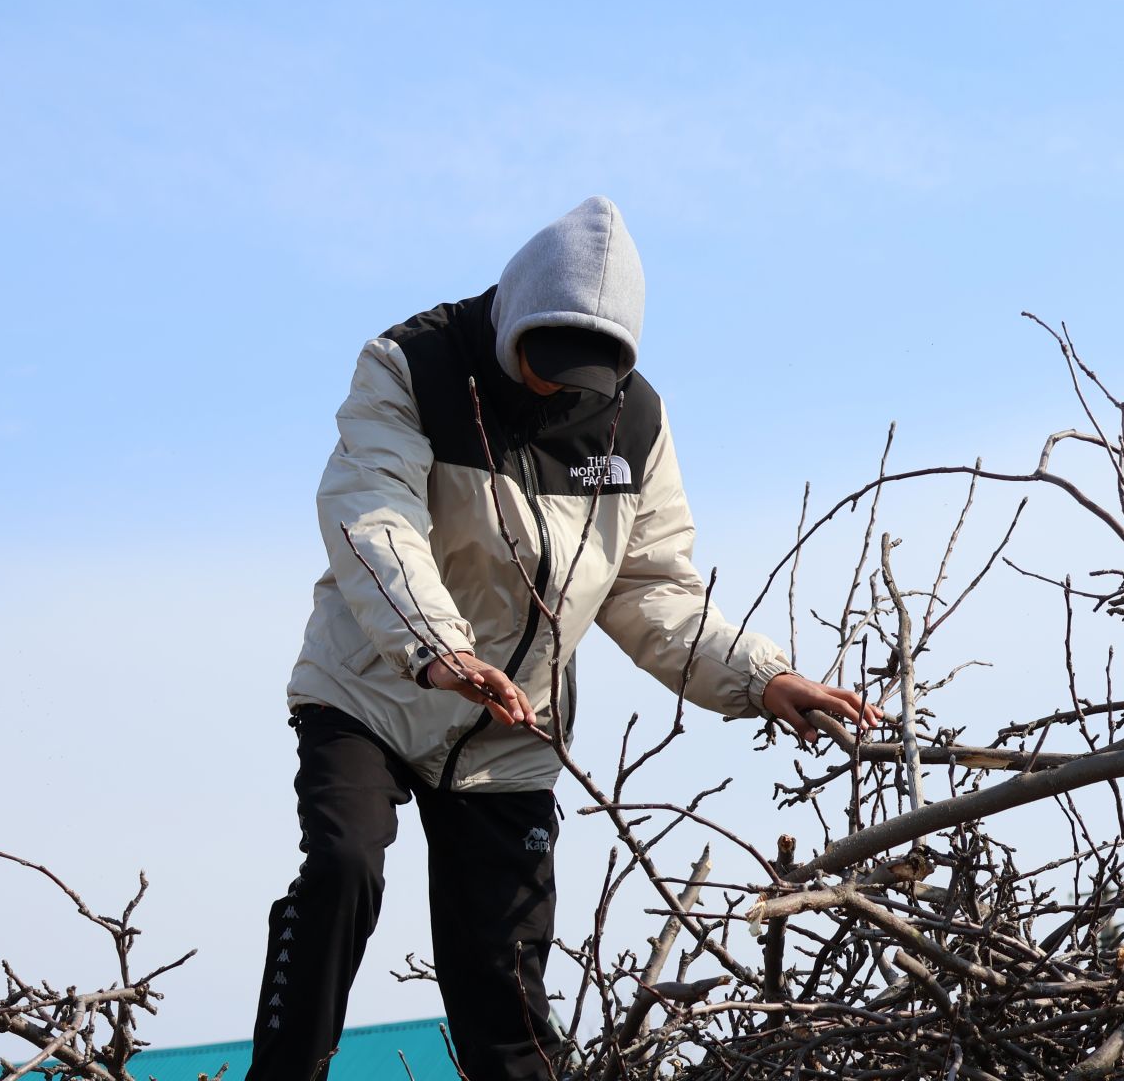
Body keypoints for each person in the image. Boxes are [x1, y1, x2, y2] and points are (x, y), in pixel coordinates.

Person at [246, 196, 880, 1081]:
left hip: (511, 732)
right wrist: (440, 650)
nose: (555, 384)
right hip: (378, 690)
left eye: (582, 371)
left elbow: (653, 587)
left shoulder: (636, 422)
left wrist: (762, 680)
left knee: (503, 984)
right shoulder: (411, 368)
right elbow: (374, 517)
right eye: (545, 361)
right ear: (511, 316)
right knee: (347, 864)